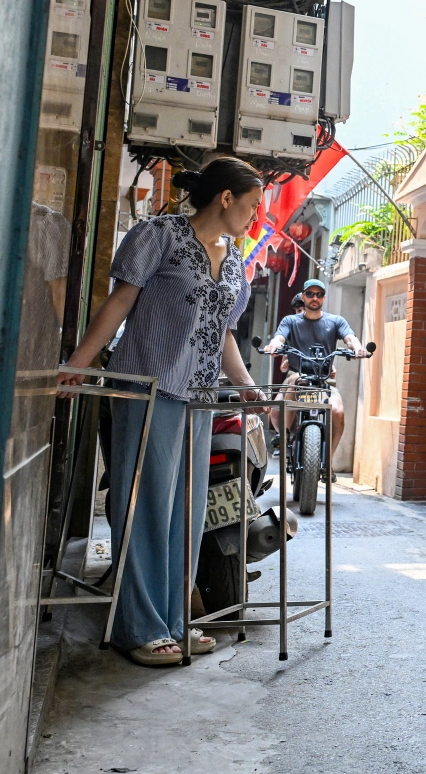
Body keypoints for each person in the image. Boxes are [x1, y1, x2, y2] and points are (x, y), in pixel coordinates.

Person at [58, 156, 267, 666]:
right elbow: (119, 304)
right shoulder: (160, 235)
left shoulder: (234, 259)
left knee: (187, 515)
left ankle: (174, 620)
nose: (256, 215)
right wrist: (79, 364)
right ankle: (140, 627)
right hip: (148, 391)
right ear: (226, 198)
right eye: (252, 205)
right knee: (146, 507)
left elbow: (222, 333)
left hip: (199, 398)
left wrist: (245, 386)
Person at [263, 278, 367, 450]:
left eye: (319, 294)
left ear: (324, 298)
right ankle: (285, 436)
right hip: (296, 375)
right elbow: (279, 338)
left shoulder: (336, 321)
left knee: (338, 412)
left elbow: (350, 337)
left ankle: (329, 459)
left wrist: (357, 348)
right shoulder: (290, 321)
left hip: (324, 379)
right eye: (310, 294)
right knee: (291, 387)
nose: (314, 298)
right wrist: (274, 345)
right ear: (303, 297)